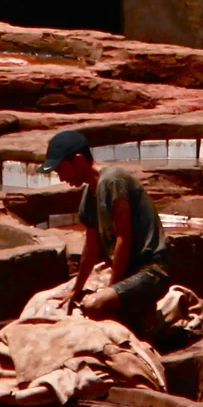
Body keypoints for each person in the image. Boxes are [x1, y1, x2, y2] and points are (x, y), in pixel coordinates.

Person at [41, 127, 170, 338]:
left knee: (94, 305)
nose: (61, 178)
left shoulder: (113, 181)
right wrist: (76, 289)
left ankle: (144, 324)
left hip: (150, 271)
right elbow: (90, 247)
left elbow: (123, 239)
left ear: (79, 160)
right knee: (55, 299)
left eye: (62, 170)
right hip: (125, 273)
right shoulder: (88, 195)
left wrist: (111, 292)